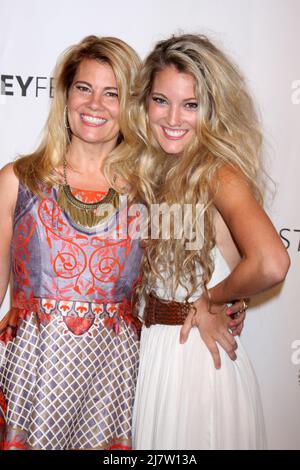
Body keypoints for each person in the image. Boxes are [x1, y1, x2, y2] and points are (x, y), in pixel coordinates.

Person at [118, 34, 290, 449]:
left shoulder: (218, 173)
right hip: (157, 360)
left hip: (196, 366)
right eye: (161, 100)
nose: (173, 117)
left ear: (212, 110)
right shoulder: (154, 172)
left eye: (191, 105)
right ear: (144, 105)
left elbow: (271, 262)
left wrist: (211, 299)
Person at [0, 35, 143, 450]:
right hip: (30, 378)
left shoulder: (148, 194)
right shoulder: (18, 181)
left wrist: (220, 302)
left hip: (112, 385)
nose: (94, 104)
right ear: (65, 96)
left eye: (111, 93)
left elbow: (175, 283)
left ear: (130, 107)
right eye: (84, 88)